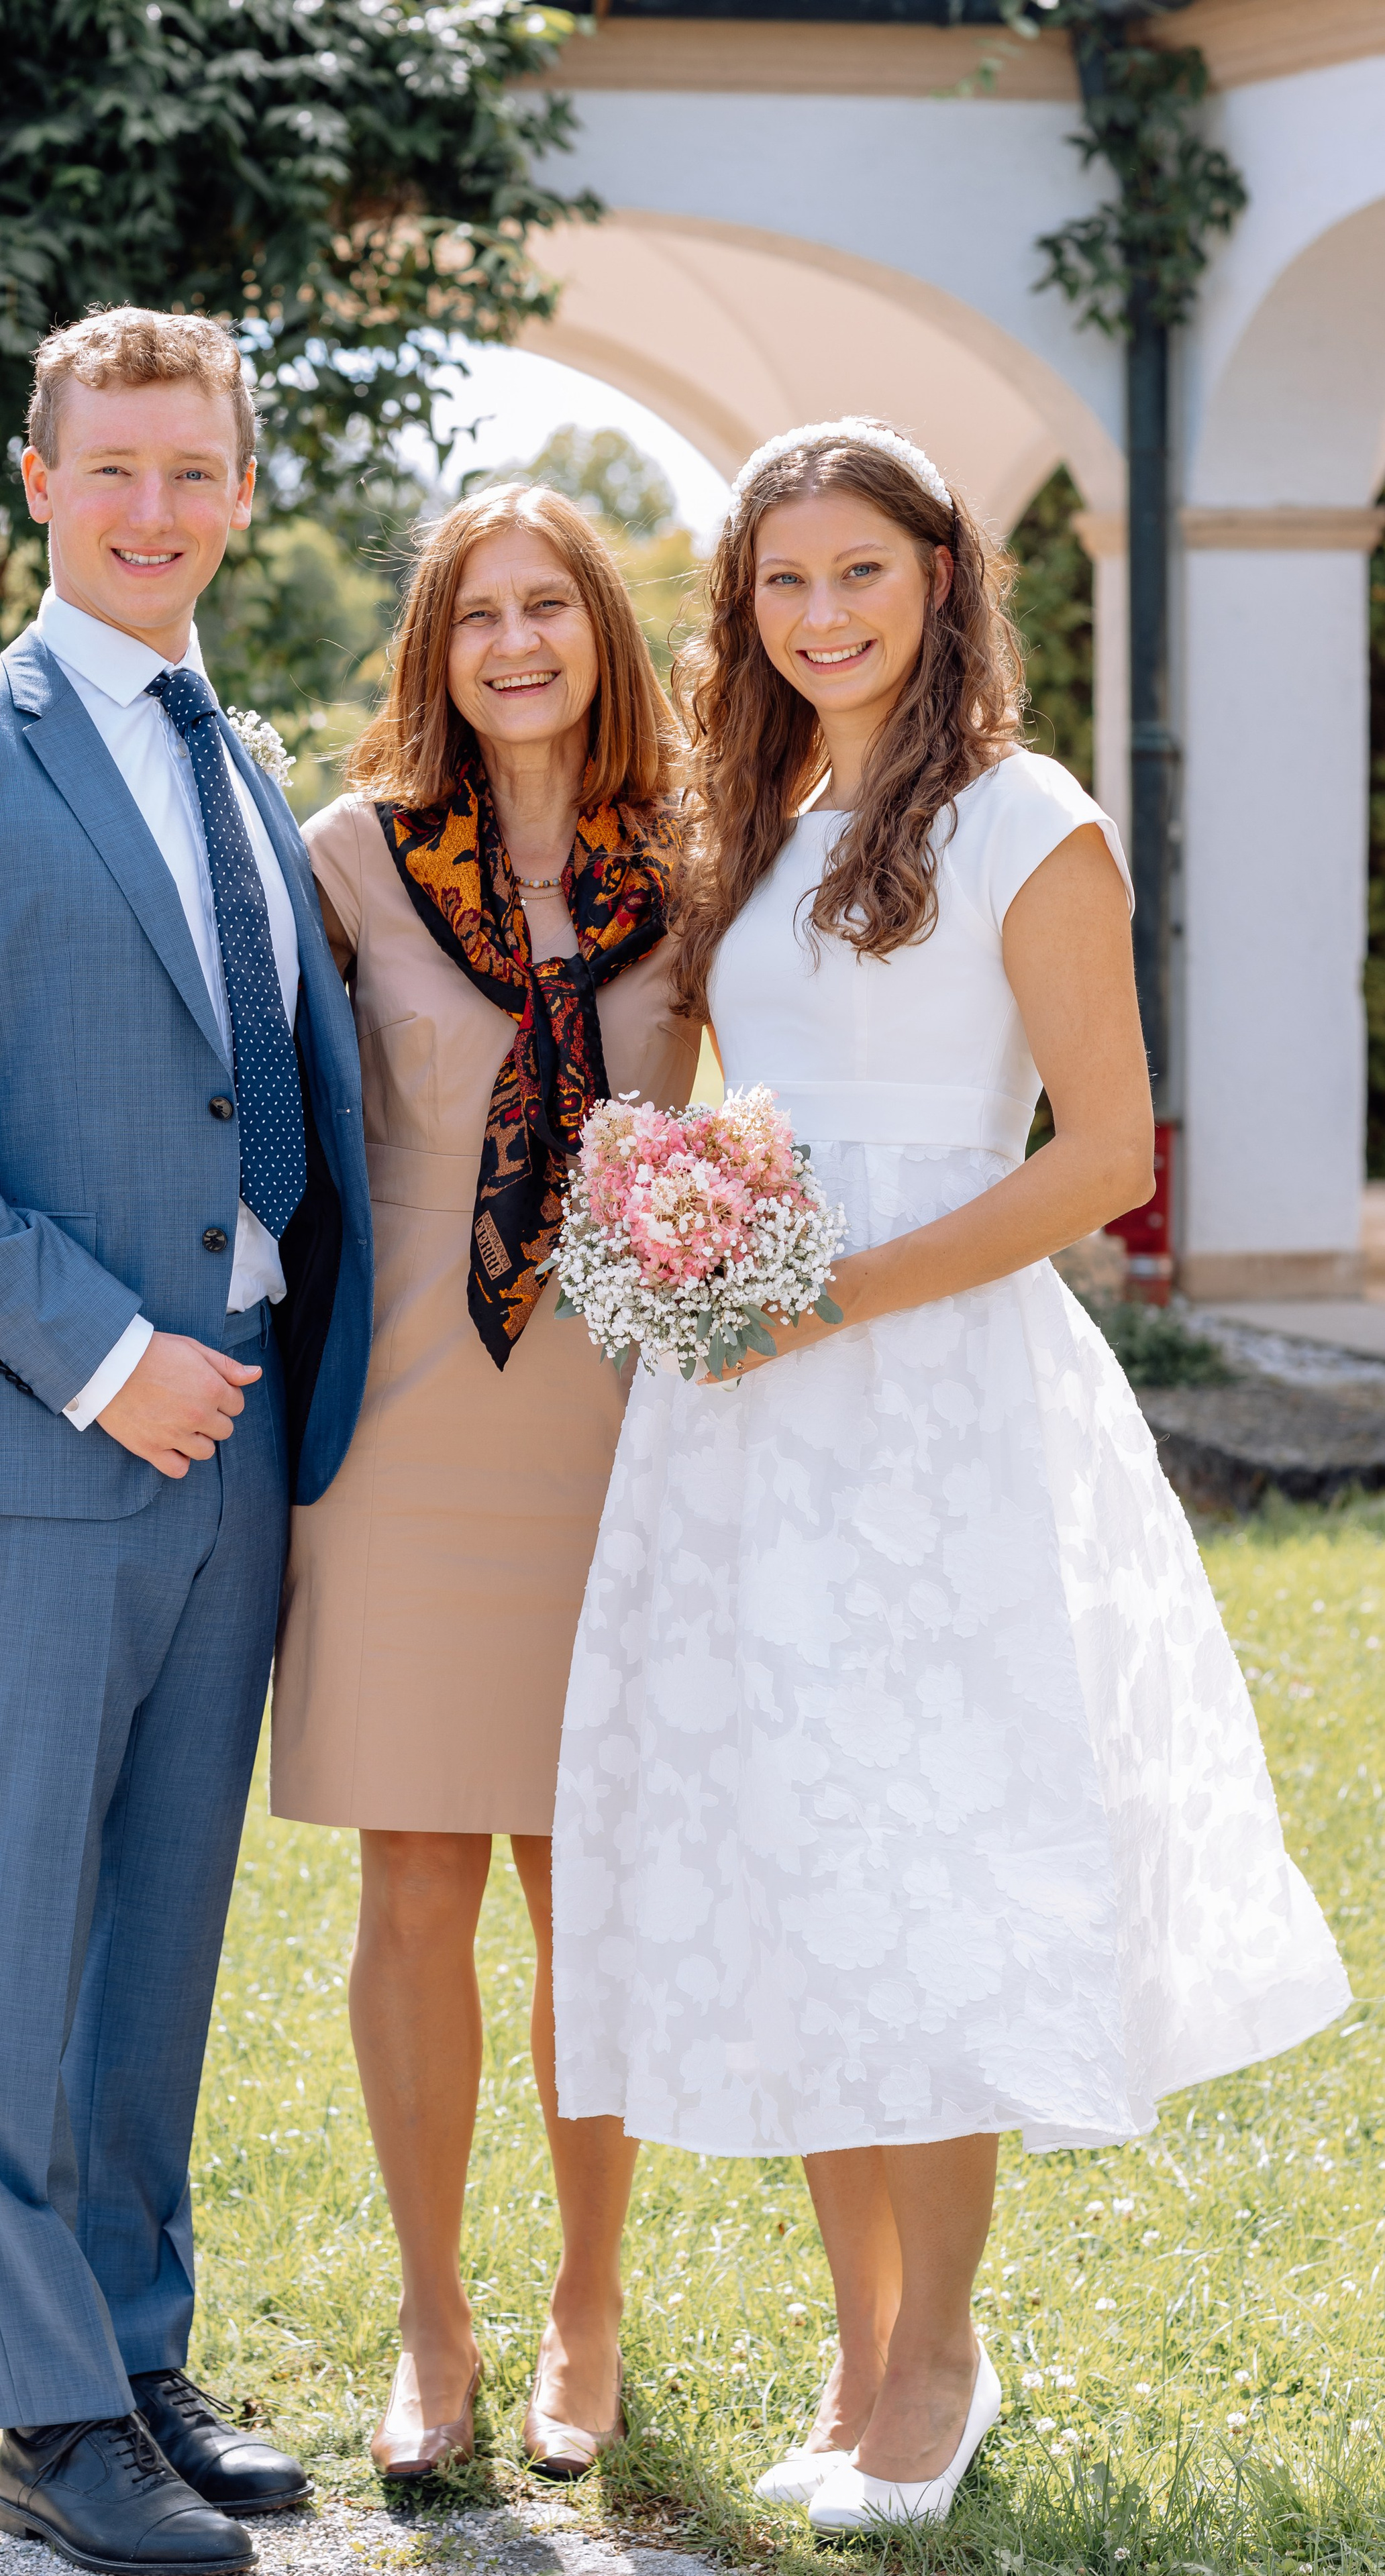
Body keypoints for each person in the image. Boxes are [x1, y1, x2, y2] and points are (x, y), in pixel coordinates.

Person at [550, 418, 1351, 2532]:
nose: (821, 618)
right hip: (749, 1407)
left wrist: (842, 1293)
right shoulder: (770, 816)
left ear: (938, 578)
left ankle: (942, 2356)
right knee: (809, 1860)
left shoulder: (1024, 818)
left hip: (934, 1401)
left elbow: (1105, 1155)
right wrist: (687, 1225)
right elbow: (756, 1101)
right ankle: (856, 2333)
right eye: (782, 585)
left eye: (860, 577)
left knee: (924, 1855)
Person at [0, 307, 374, 2576]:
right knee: (9, 1937)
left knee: (156, 1947)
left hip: (235, 1448)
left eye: (196, 469)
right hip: (45, 1437)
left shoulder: (244, 765)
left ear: (245, 489)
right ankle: (46, 2422)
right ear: (37, 479)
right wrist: (98, 1349)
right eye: (114, 467)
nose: (158, 509)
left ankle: (135, 2358)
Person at [270, 484, 699, 2481]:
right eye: (476, 616)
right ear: (431, 652)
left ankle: (585, 2307)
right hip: (405, 1437)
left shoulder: (697, 867)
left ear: (605, 632)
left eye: (552, 607)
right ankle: (432, 2323)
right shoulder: (348, 863)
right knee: (416, 1883)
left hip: (625, 1436)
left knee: (590, 1897)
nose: (517, 643)